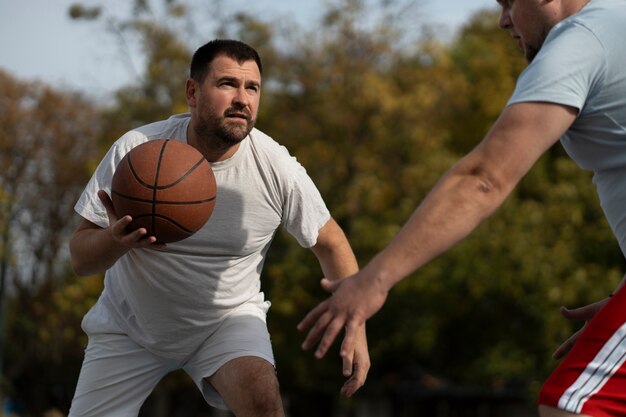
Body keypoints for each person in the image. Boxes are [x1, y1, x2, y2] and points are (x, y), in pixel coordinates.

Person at [297, 0, 626, 416]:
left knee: (569, 405)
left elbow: (484, 178)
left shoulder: (580, 40)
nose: (502, 19)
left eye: (509, 2)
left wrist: (373, 281)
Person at [68, 39, 369, 417]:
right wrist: (115, 241)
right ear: (192, 92)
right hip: (129, 325)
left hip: (225, 324)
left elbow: (331, 244)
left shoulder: (276, 167)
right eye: (228, 84)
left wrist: (356, 323)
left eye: (253, 87)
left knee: (264, 406)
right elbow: (80, 259)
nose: (242, 98)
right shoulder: (138, 151)